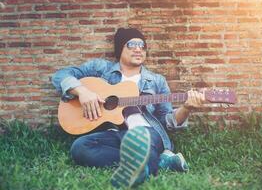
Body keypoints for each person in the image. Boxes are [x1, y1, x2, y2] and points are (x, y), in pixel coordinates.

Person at [52, 28, 205, 188]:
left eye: (143, 45)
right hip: (111, 134)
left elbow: (166, 121)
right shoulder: (101, 69)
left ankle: (141, 165)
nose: (139, 49)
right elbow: (60, 75)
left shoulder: (157, 81)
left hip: (145, 132)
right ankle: (159, 162)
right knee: (80, 148)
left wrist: (186, 108)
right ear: (120, 49)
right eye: (132, 44)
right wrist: (82, 92)